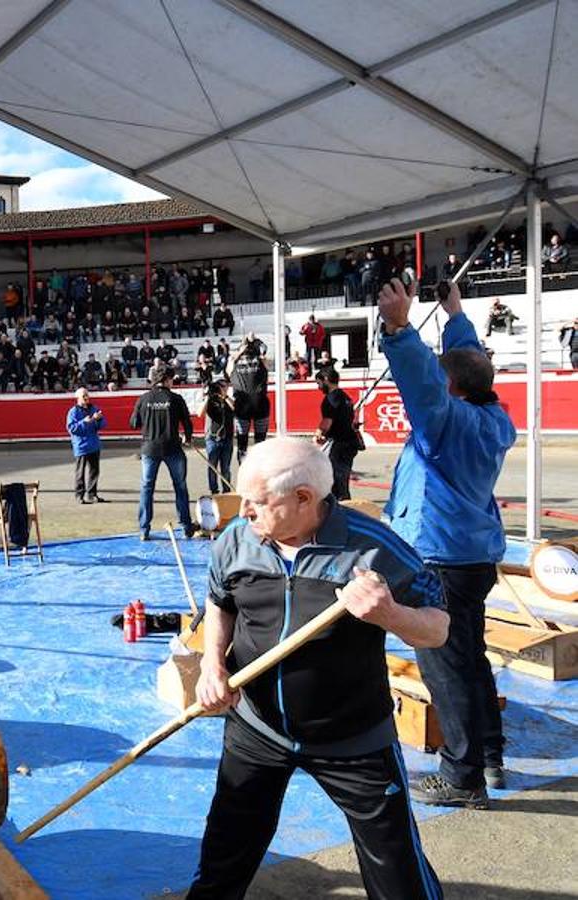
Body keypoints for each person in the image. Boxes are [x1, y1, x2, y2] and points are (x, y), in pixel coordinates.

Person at [190, 437, 448, 900]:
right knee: (222, 864)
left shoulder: (374, 549)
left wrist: (390, 613)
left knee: (397, 875)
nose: (244, 512)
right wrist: (212, 664)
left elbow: (438, 629)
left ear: (304, 498)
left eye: (258, 503)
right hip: (257, 729)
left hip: (354, 739)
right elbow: (219, 601)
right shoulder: (238, 538)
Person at [378, 277, 517, 807]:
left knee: (443, 663)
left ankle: (462, 777)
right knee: (470, 655)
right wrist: (455, 314)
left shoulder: (446, 422)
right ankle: (490, 755)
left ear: (451, 390)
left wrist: (398, 327)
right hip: (473, 556)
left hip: (437, 558)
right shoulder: (492, 416)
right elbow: (468, 364)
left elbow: (425, 383)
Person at [130, 364, 196, 540]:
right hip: (172, 447)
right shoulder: (175, 398)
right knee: (180, 486)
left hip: (150, 448)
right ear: (167, 379)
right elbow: (188, 424)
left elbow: (133, 423)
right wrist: (188, 438)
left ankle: (144, 529)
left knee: (146, 487)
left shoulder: (143, 398)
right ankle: (186, 526)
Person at [314, 369, 359, 500]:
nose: (319, 387)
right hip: (350, 442)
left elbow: (327, 422)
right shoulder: (346, 397)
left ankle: (340, 509)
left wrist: (319, 433)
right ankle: (344, 504)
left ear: (326, 380)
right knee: (342, 480)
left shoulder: (330, 400)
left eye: (319, 383)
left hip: (339, 444)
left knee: (336, 482)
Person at [228, 332, 270, 463]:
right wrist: (241, 350)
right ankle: (243, 469)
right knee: (242, 443)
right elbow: (229, 366)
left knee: (261, 443)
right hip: (242, 407)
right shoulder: (233, 361)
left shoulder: (261, 359)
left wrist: (253, 340)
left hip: (260, 405)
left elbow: (264, 351)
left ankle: (259, 470)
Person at [66, 387, 106, 504]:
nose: (86, 398)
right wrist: (84, 422)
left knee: (94, 471)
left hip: (94, 444)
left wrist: (98, 420)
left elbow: (103, 424)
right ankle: (79, 495)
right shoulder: (73, 412)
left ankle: (92, 494)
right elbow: (72, 428)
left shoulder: (94, 408)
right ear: (77, 398)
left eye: (87, 395)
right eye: (84, 396)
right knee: (80, 473)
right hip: (81, 446)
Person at [204, 379, 234, 494]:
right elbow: (199, 413)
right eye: (220, 386)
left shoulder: (228, 400)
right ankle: (214, 490)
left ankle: (226, 490)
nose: (222, 388)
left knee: (225, 467)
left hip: (227, 438)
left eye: (224, 386)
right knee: (212, 466)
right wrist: (207, 397)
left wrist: (225, 396)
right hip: (213, 438)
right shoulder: (211, 401)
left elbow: (235, 408)